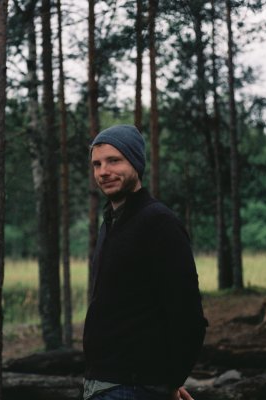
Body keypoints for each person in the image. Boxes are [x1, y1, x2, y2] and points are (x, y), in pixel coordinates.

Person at [83, 125, 208, 400]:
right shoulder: (111, 223)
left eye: (114, 161)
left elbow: (188, 315)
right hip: (104, 383)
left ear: (136, 163)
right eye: (97, 164)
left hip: (131, 388)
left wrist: (170, 379)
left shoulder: (158, 222)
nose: (103, 171)